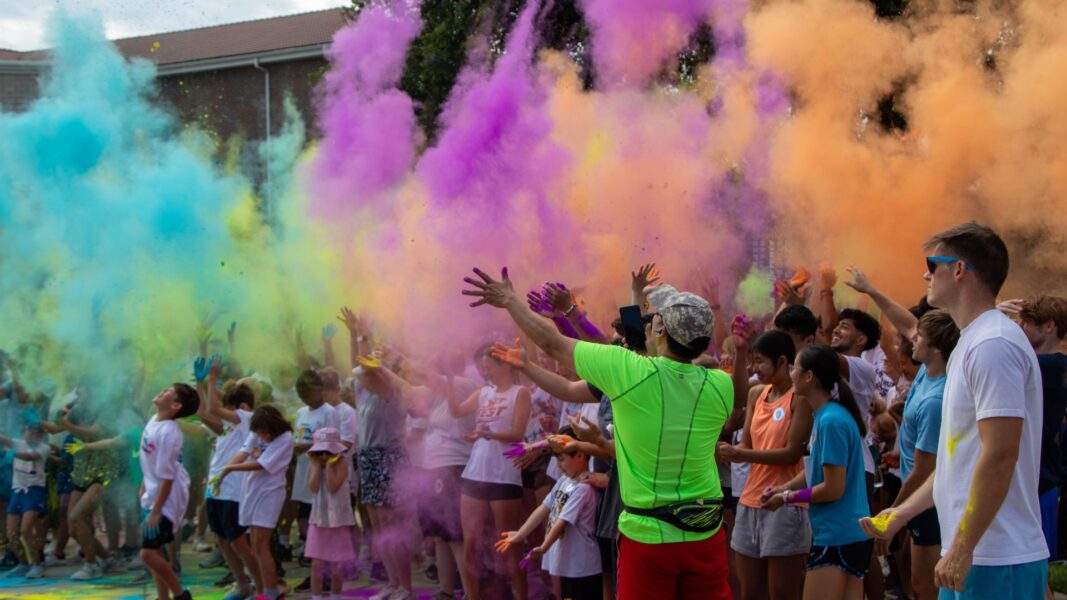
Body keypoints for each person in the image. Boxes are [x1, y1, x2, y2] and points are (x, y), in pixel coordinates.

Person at [463, 270, 736, 600]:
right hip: (705, 534)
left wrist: (510, 301)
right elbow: (640, 351)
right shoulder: (721, 384)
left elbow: (553, 344)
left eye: (656, 320)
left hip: (650, 540)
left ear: (661, 330)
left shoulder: (632, 373)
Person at [861, 222, 1049, 598]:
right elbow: (958, 464)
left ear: (960, 269)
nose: (925, 274)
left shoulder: (992, 343)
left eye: (933, 264)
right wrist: (898, 515)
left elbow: (1000, 454)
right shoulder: (972, 342)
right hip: (977, 555)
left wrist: (963, 548)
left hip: (994, 558)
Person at [844, 268, 960, 600]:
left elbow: (925, 470)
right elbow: (906, 321)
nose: (911, 340)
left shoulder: (937, 398)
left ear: (935, 347)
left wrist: (892, 513)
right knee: (909, 569)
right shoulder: (928, 368)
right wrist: (871, 290)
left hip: (927, 498)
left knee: (926, 585)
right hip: (916, 494)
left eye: (919, 337)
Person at [762, 345, 872, 600]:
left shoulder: (831, 421)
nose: (790, 374)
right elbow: (816, 472)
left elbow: (833, 488)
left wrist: (787, 499)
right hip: (847, 532)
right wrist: (782, 488)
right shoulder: (826, 416)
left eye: (794, 368)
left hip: (839, 533)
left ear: (809, 377)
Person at [718, 330, 812, 600]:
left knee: (782, 592)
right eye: (752, 360)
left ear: (783, 362)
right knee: (750, 591)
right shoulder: (756, 393)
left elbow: (791, 454)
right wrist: (730, 452)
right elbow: (746, 444)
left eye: (759, 361)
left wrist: (741, 455)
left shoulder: (800, 398)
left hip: (784, 502)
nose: (754, 368)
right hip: (749, 500)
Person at [450, 347, 532, 600]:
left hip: (505, 474)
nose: (485, 371)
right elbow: (457, 411)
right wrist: (447, 381)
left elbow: (518, 433)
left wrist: (488, 434)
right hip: (475, 472)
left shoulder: (521, 393)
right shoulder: (483, 391)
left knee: (509, 545)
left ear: (506, 365)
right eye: (483, 367)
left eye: (490, 366)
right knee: (471, 543)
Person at [497, 432, 602, 600]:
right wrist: (521, 533)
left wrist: (544, 547)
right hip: (568, 563)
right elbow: (543, 508)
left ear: (580, 455)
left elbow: (562, 522)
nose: (559, 466)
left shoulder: (582, 488)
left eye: (562, 460)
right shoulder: (563, 481)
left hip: (582, 565)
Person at [197, 357, 261, 600]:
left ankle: (262, 588)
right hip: (216, 488)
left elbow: (213, 408)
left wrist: (212, 379)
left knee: (238, 543)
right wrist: (201, 383)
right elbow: (204, 410)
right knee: (223, 541)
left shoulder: (247, 418)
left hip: (233, 490)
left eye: (229, 407)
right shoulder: (229, 427)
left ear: (242, 406)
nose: (223, 412)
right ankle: (242, 585)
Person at [1011, 295, 1067, 563]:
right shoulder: (1037, 362)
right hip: (1031, 478)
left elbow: (1010, 361)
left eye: (1027, 322)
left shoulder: (1055, 364)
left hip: (1041, 479)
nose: (1020, 328)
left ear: (1049, 326)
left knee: (1036, 570)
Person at [219, 404, 295, 600]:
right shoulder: (256, 430)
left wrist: (230, 469)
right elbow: (244, 452)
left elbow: (262, 465)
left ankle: (270, 593)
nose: (264, 436)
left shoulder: (285, 438)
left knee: (261, 547)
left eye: (266, 433)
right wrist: (227, 466)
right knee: (255, 545)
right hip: (252, 491)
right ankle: (264, 591)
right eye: (261, 433)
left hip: (270, 493)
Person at [139, 382, 200, 600]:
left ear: (175, 405)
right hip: (153, 495)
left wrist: (156, 511)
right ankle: (162, 597)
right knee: (155, 552)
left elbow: (167, 475)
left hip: (167, 499)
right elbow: (150, 461)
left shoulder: (170, 433)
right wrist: (144, 486)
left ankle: (181, 595)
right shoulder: (154, 420)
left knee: (147, 553)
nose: (162, 390)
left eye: (168, 392)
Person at [306, 427, 357, 600]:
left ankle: (336, 596)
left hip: (338, 520)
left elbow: (333, 487)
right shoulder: (315, 463)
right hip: (319, 519)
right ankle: (316, 597)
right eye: (320, 452)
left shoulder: (342, 462)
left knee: (337, 563)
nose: (323, 456)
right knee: (316, 563)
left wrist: (328, 466)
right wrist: (315, 466)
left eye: (327, 452)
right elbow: (313, 487)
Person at [1, 417, 51, 579]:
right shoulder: (17, 443)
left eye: (36, 433)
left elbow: (30, 457)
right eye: (30, 432)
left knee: (26, 531)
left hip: (34, 491)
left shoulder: (44, 448)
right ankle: (23, 563)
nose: (32, 435)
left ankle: (37, 564)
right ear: (24, 432)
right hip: (17, 491)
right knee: (11, 533)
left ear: (41, 435)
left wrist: (12, 453)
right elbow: (4, 438)